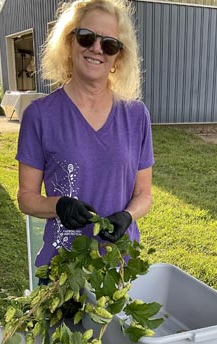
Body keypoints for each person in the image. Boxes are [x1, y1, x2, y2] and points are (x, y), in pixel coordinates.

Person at [15, 0, 154, 284]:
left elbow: (144, 194)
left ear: (119, 57)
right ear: (69, 42)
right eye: (87, 37)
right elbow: (26, 198)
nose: (96, 49)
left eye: (109, 44)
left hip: (119, 268)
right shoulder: (40, 116)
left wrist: (127, 216)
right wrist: (58, 206)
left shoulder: (136, 115)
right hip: (62, 273)